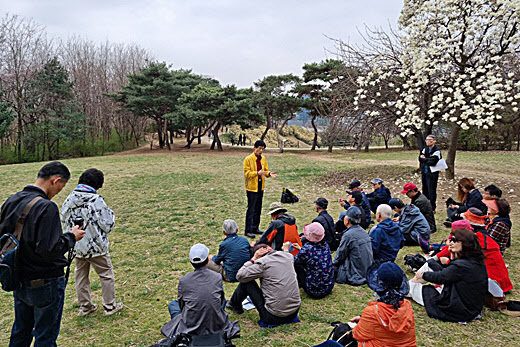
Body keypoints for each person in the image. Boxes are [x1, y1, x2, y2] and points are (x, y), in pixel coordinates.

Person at [0, 161, 85, 347]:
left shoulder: (11, 201)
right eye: (60, 188)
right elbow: (48, 250)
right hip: (45, 282)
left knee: (20, 332)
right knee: (45, 337)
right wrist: (71, 236)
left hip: (18, 278)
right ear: (56, 180)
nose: (58, 193)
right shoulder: (46, 207)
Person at [61, 168, 123, 316]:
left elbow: (64, 222)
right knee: (106, 275)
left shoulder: (69, 199)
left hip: (77, 246)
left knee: (81, 276)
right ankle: (110, 306)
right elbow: (108, 224)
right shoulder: (96, 201)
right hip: (96, 247)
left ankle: (85, 307)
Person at [409, 228, 488, 323]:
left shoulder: (462, 266)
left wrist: (423, 275)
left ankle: (405, 287)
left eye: (455, 240)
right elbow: (450, 274)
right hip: (468, 306)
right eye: (451, 240)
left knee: (415, 287)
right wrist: (452, 257)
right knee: (430, 264)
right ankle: (411, 283)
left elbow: (441, 278)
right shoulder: (475, 261)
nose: (450, 243)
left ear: (465, 243)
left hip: (457, 309)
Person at [162, 244, 238, 338]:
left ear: (190, 262)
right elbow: (221, 301)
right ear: (207, 261)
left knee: (173, 305)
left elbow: (182, 305)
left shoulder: (184, 280)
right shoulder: (217, 277)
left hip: (191, 324)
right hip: (215, 323)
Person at [227, 243, 301, 325]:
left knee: (247, 282)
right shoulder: (288, 257)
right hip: (294, 312)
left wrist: (253, 259)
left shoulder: (262, 263)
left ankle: (234, 305)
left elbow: (240, 276)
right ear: (270, 248)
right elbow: (286, 253)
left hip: (273, 316)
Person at [350, 262, 416, 347]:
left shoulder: (373, 312)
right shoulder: (407, 306)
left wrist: (360, 324)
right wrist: (364, 319)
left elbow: (357, 335)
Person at [244, 140, 277, 238]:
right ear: (255, 148)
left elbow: (265, 171)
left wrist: (269, 174)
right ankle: (248, 230)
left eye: (263, 149)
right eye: (259, 148)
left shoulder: (263, 159)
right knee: (251, 208)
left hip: (260, 186)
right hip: (251, 188)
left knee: (258, 208)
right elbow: (247, 174)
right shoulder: (248, 159)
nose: (261, 151)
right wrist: (256, 173)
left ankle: (255, 227)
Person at [292, 222, 334, 298]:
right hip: (328, 287)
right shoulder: (325, 245)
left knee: (297, 266)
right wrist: (301, 249)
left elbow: (294, 261)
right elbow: (314, 256)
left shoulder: (308, 248)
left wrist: (285, 251)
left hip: (314, 291)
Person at [334, 207, 373, 285]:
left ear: (347, 220)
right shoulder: (363, 231)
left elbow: (340, 256)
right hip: (367, 272)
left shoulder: (348, 235)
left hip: (355, 274)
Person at [419, 134, 441, 211]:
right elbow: (420, 159)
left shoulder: (437, 151)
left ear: (434, 141)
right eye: (427, 140)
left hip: (432, 174)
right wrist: (427, 160)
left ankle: (432, 207)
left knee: (431, 190)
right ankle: (425, 205)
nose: (428, 141)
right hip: (425, 172)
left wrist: (425, 159)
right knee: (424, 189)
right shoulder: (425, 149)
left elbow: (433, 162)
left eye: (430, 140)